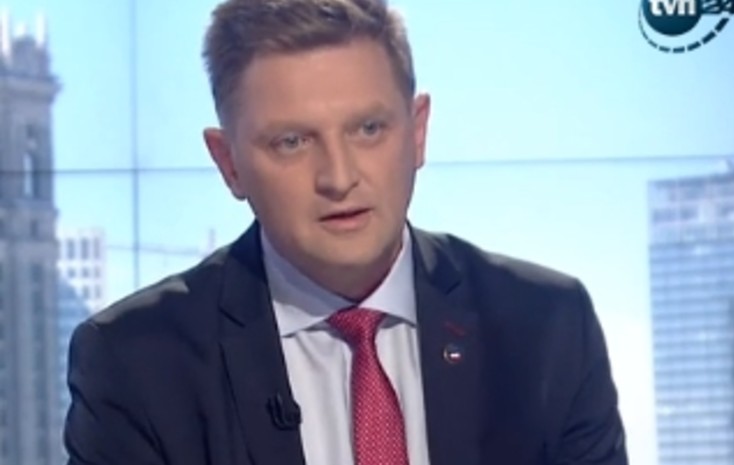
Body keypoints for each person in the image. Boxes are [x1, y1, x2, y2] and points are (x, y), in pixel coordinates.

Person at [63, 0, 629, 464]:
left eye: (368, 129)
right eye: (292, 142)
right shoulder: (137, 362)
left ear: (418, 131)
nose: (338, 177)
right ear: (228, 162)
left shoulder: (544, 328)